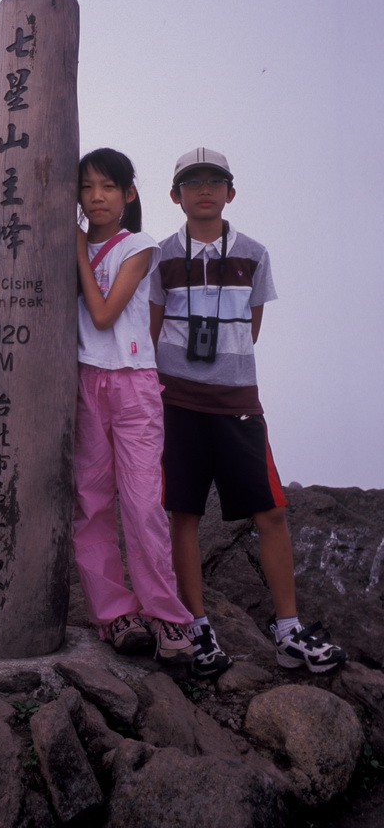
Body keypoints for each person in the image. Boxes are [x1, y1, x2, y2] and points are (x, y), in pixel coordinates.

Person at [150, 147, 347, 677]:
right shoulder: (160, 256)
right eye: (193, 183)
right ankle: (197, 626)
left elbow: (252, 328)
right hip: (177, 401)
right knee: (184, 512)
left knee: (272, 511)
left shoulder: (255, 254)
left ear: (231, 192)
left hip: (237, 401)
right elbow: (151, 329)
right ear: (176, 196)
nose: (205, 190)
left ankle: (287, 631)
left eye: (215, 181)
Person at [74, 148, 193, 659]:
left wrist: (76, 247)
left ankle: (166, 615)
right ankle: (115, 614)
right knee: (91, 501)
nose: (96, 197)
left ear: (129, 194)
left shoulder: (139, 245)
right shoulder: (68, 246)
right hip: (84, 380)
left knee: (144, 504)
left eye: (108, 187)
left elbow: (103, 315)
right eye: (86, 187)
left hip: (134, 383)